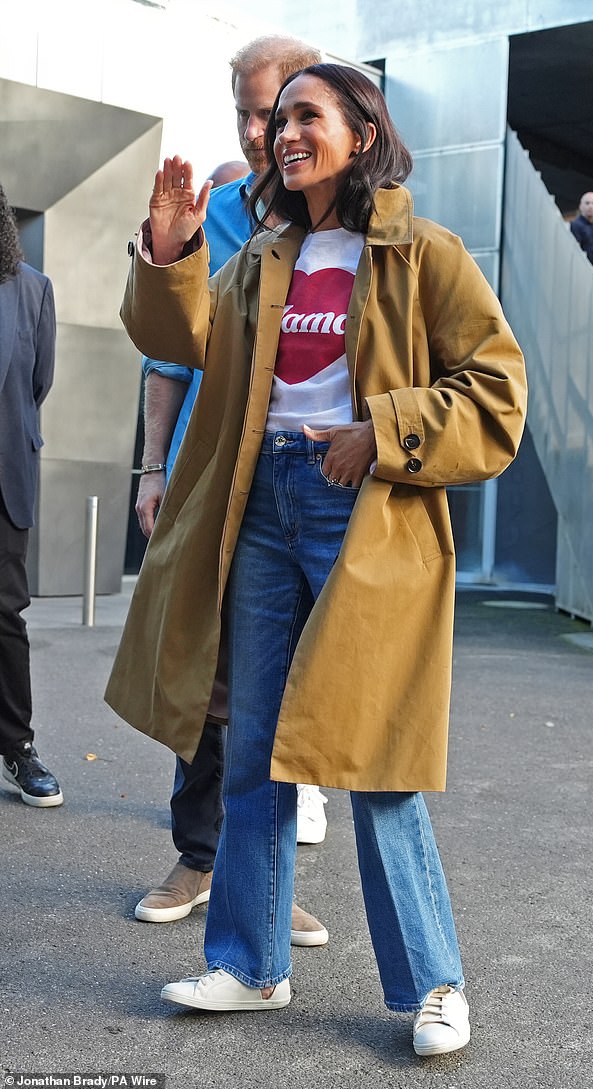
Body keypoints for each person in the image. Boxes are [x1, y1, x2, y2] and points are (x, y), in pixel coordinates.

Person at [108, 63, 527, 1057]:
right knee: (253, 746)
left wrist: (382, 432)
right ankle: (250, 963)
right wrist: (169, 250)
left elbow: (497, 393)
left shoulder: (425, 252)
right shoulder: (263, 255)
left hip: (363, 510)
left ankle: (434, 984)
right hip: (261, 506)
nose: (284, 133)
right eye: (279, 118)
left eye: (308, 115)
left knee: (377, 755)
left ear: (361, 132)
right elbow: (186, 338)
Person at [132, 35, 329, 944]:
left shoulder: (340, 220)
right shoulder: (218, 212)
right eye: (245, 113)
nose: (256, 131)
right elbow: (167, 355)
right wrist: (152, 468)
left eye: (271, 111)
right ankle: (198, 854)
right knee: (204, 672)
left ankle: (263, 877)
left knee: (278, 686)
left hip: (302, 479)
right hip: (210, 474)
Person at [0, 182, 62, 809]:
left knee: (5, 618)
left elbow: (36, 385)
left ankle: (17, 747)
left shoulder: (32, 288)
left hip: (4, 477)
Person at [570, 191, 593, 276]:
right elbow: (576, 251)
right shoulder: (575, 225)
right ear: (580, 206)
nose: (590, 206)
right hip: (580, 272)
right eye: (587, 203)